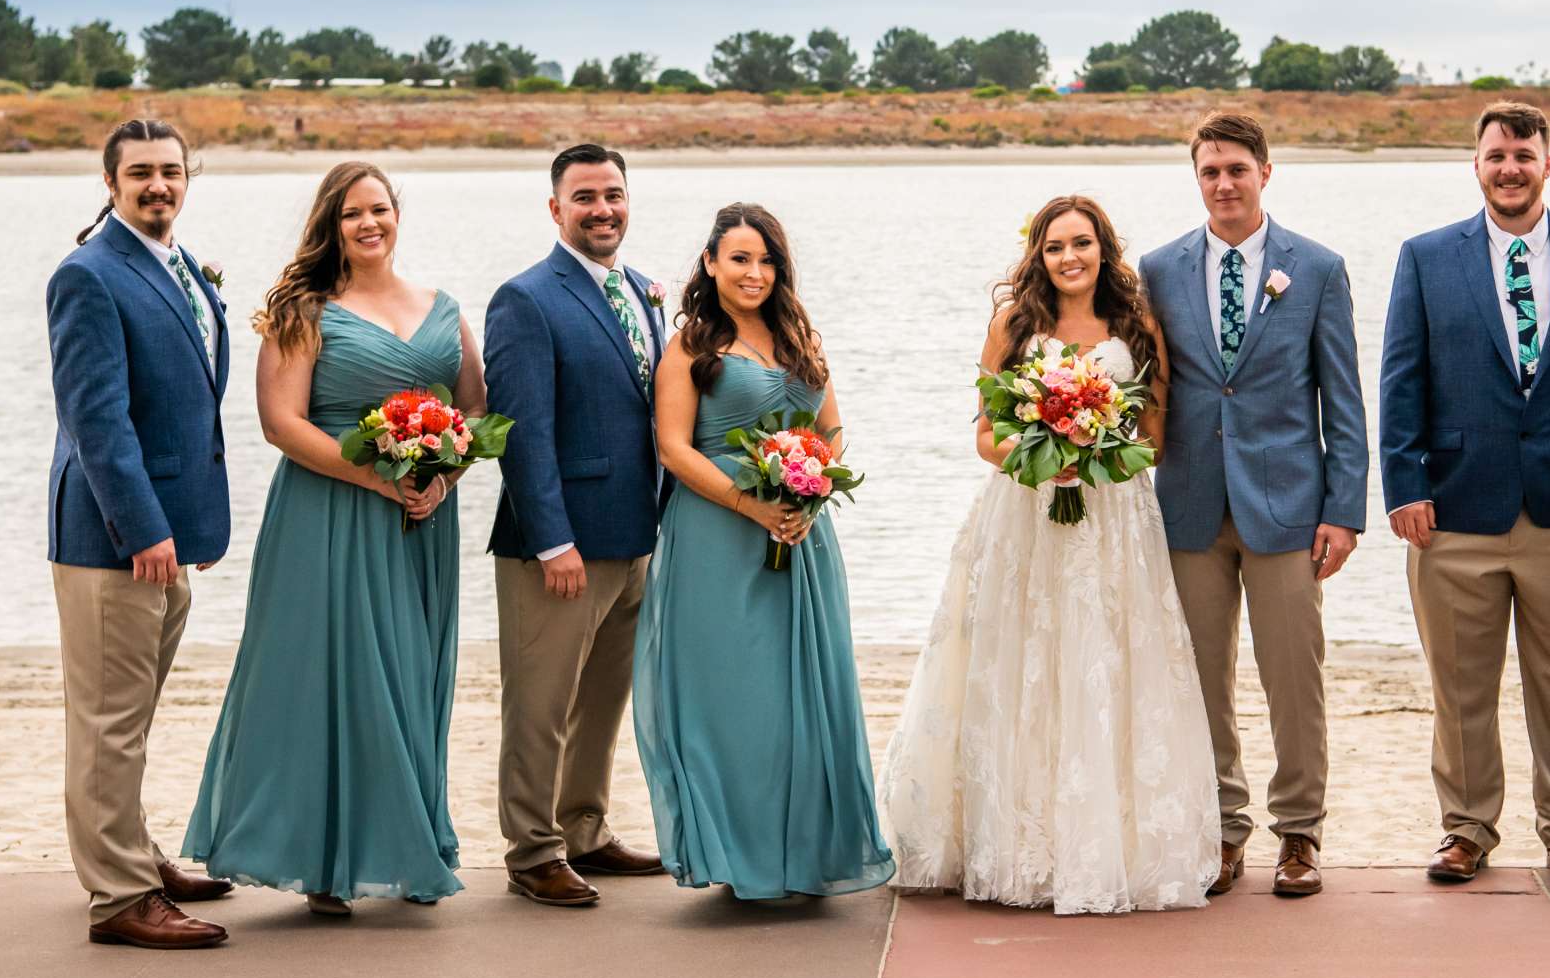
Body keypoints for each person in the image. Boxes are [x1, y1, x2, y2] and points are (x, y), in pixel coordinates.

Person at [882, 195, 1220, 914]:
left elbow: (1155, 436)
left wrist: (1095, 447)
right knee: (1019, 667)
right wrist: (1042, 456)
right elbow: (984, 434)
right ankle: (1016, 842)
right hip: (1025, 514)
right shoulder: (1015, 325)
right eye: (1055, 246)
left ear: (1105, 249)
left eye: (1082, 243)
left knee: (1109, 666)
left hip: (1114, 517)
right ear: (1037, 254)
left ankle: (1110, 848)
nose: (1070, 258)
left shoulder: (1136, 324)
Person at [183, 163, 479, 914]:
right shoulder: (304, 311)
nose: (369, 223)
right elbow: (281, 423)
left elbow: (475, 411)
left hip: (421, 522)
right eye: (352, 213)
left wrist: (444, 477)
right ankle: (323, 863)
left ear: (397, 215)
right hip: (329, 515)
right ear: (331, 224)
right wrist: (381, 480)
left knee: (413, 676)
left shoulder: (443, 306)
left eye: (380, 209)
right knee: (333, 680)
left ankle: (410, 846)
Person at [1377, 101, 1550, 887]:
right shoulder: (1427, 258)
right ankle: (1466, 829)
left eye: (1524, 156)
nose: (1510, 169)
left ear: (1548, 164)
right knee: (1460, 688)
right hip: (1453, 510)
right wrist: (1404, 484)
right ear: (1477, 164)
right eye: (1496, 156)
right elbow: (1401, 379)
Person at [633, 203, 894, 902]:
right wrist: (752, 503)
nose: (754, 273)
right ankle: (740, 858)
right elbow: (673, 447)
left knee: (801, 696)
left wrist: (809, 491)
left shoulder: (800, 336)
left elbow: (832, 430)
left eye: (766, 260)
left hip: (802, 535)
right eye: (740, 259)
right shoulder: (691, 346)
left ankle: (805, 855)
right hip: (719, 534)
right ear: (711, 264)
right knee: (735, 698)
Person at [1140, 112, 1368, 898]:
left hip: (1288, 507)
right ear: (1196, 179)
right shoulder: (1158, 270)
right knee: (1201, 677)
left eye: (1236, 168)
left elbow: (1343, 401)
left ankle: (1300, 832)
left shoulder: (1318, 268)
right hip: (1191, 505)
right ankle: (1222, 829)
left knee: (1293, 677)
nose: (1223, 183)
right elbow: (1150, 389)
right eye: (1209, 171)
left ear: (1265, 172)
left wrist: (1344, 511)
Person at [46, 119, 234, 948]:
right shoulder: (88, 275)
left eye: (171, 171)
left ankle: (135, 854)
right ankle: (120, 899)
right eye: (141, 173)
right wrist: (144, 530)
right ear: (110, 179)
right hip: (116, 538)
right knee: (107, 724)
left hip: (165, 536)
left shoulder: (180, 265)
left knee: (132, 716)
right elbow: (97, 420)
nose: (159, 185)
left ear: (188, 177)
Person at [484, 142, 669, 908]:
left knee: (602, 698)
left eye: (614, 194)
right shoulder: (525, 299)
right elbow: (521, 431)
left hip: (635, 536)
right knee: (541, 700)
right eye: (586, 196)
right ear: (555, 207)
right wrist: (553, 539)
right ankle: (533, 849)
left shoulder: (643, 292)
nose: (603, 209)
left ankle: (585, 827)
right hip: (557, 546)